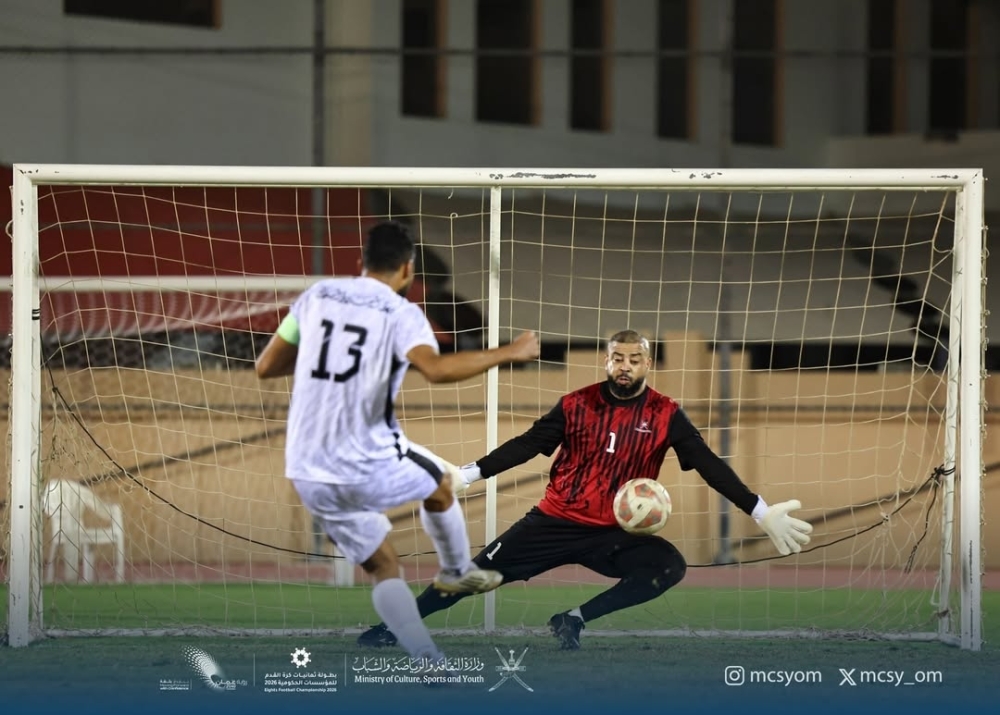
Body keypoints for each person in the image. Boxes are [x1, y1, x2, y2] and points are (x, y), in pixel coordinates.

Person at [357, 329, 813, 651]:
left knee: (667, 567)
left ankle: (573, 620)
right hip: (554, 521)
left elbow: (711, 465)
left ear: (647, 364)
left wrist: (760, 510)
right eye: (618, 358)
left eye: (635, 360)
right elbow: (528, 445)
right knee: (471, 577)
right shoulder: (576, 404)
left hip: (615, 533)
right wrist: (467, 474)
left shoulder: (666, 413)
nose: (625, 367)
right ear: (607, 360)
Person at [255, 220, 540, 668]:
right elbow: (437, 370)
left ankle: (427, 659)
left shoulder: (317, 296)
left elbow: (266, 366)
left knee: (384, 567)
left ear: (360, 263)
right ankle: (456, 571)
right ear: (408, 269)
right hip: (364, 456)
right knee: (442, 483)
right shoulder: (401, 313)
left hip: (308, 470)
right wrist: (509, 351)